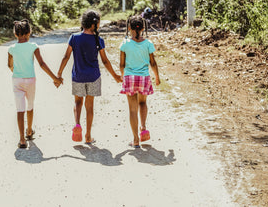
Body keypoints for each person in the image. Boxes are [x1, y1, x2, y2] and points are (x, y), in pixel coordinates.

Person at [57, 10, 122, 144]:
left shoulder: (74, 37)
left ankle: (77, 124)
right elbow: (104, 61)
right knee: (90, 106)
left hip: (78, 76)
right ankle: (88, 135)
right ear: (96, 24)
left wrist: (59, 73)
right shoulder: (98, 39)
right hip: (93, 77)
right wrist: (115, 75)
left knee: (77, 102)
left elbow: (66, 56)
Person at [8, 19, 62, 149]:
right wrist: (55, 78)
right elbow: (42, 64)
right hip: (31, 80)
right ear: (29, 33)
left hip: (17, 80)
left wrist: (16, 70)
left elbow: (10, 65)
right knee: (30, 106)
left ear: (15, 34)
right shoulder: (33, 47)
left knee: (19, 109)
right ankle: (29, 130)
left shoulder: (11, 48)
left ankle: (22, 139)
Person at [119, 15, 160, 148]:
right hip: (144, 78)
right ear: (143, 28)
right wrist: (157, 77)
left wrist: (122, 76)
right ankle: (143, 128)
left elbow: (121, 64)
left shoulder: (125, 44)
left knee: (132, 109)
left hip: (130, 78)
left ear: (129, 28)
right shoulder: (148, 44)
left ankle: (136, 139)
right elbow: (153, 63)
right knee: (143, 102)